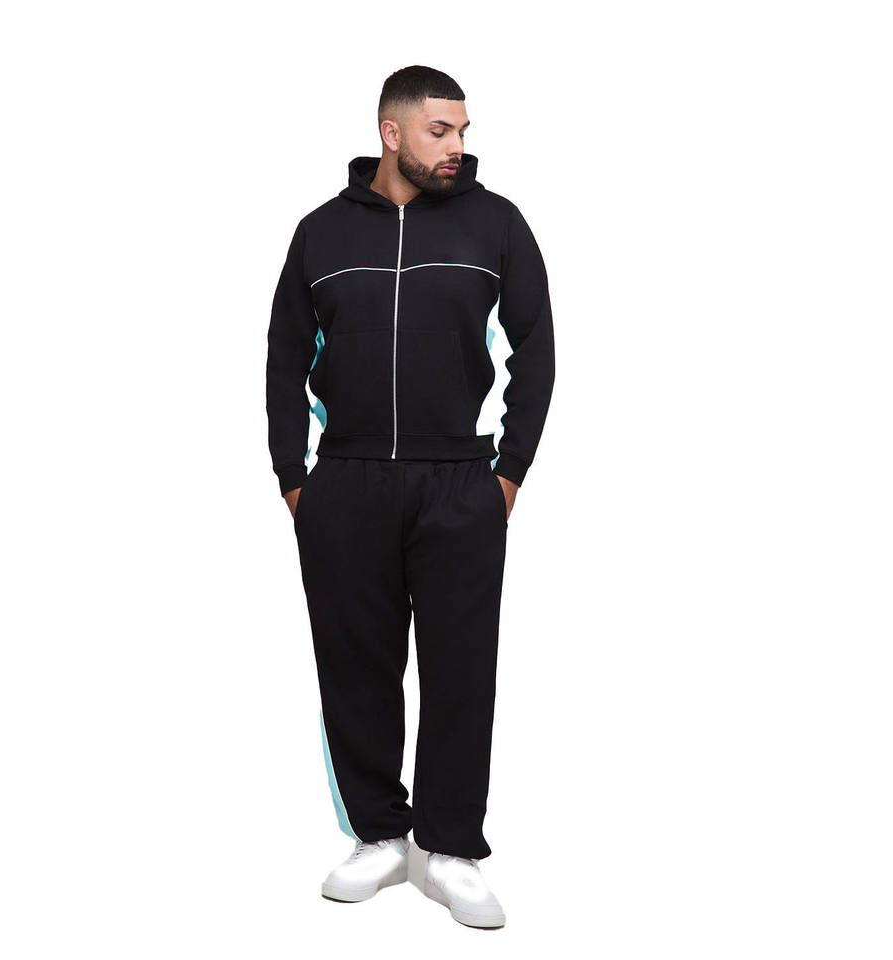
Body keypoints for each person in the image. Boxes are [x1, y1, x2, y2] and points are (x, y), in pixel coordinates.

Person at [266, 64, 555, 929]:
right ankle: (379, 836)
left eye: (463, 130)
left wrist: (508, 474)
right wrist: (295, 479)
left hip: (459, 481)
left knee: (461, 670)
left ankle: (452, 847)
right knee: (355, 664)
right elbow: (283, 358)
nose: (457, 146)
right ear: (391, 133)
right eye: (440, 131)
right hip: (346, 481)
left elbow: (537, 351)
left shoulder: (495, 224)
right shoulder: (321, 234)